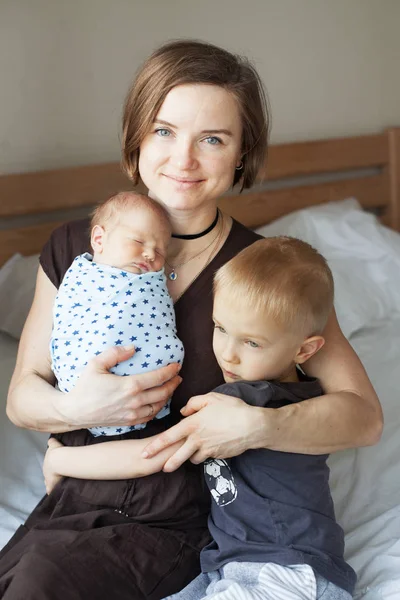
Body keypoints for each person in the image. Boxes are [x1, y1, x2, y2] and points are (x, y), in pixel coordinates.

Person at [2, 39, 381, 600]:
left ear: (241, 154)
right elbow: (21, 398)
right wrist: (71, 409)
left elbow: (363, 417)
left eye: (212, 139)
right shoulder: (78, 249)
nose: (183, 160)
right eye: (163, 131)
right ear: (136, 136)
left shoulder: (264, 271)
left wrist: (263, 426)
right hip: (74, 495)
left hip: (176, 521)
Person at [42, 237, 356, 600]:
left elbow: (154, 454)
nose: (228, 354)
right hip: (232, 567)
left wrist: (60, 458)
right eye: (221, 328)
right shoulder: (305, 393)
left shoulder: (243, 400)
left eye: (252, 343)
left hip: (286, 570)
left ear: (304, 349)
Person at [50, 190, 184, 438]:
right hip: (84, 395)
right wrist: (75, 407)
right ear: (99, 239)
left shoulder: (151, 283)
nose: (151, 254)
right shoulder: (83, 277)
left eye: (160, 251)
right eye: (139, 242)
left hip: (151, 414)